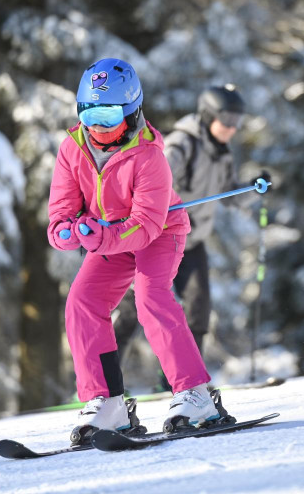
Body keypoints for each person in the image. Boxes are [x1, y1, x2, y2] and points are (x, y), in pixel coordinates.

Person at [48, 58, 222, 443]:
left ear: (131, 111)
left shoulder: (150, 156)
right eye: (90, 113)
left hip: (159, 234)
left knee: (150, 296)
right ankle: (107, 402)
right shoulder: (71, 149)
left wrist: (98, 238)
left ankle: (196, 394)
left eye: (109, 115)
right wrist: (64, 232)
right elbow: (61, 209)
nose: (98, 125)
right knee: (81, 301)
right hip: (108, 238)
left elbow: (145, 226)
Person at [114, 84, 268, 372]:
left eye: (238, 121)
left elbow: (228, 193)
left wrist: (252, 189)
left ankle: (185, 378)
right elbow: (152, 182)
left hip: (191, 241)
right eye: (228, 120)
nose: (233, 128)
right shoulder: (180, 145)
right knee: (134, 310)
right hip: (158, 239)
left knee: (198, 310)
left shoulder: (221, 154)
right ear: (210, 116)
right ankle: (105, 380)